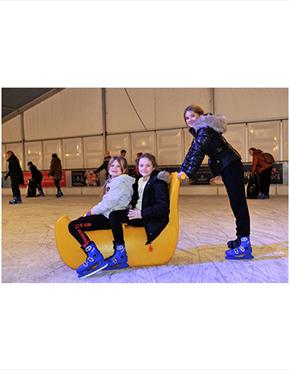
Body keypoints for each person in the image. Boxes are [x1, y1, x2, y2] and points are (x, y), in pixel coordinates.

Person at [178, 104, 253, 260]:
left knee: (238, 203)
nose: (190, 120)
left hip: (230, 165)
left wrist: (187, 173)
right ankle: (241, 238)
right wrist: (182, 170)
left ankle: (245, 243)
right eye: (187, 118)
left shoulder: (204, 130)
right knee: (236, 203)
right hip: (228, 165)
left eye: (192, 116)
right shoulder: (201, 131)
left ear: (200, 116)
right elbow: (192, 150)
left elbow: (198, 152)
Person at [68, 156, 135, 278]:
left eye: (118, 166)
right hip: (107, 214)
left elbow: (108, 203)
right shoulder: (114, 181)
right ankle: (95, 255)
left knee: (74, 225)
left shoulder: (121, 182)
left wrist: (90, 212)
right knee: (77, 223)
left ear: (124, 169)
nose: (114, 168)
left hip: (109, 218)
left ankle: (94, 256)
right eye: (112, 165)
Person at [107, 153, 170, 270]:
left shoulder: (158, 182)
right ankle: (119, 249)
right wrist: (131, 206)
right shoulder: (140, 180)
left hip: (150, 218)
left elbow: (163, 206)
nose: (144, 168)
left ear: (154, 167)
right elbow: (137, 198)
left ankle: (120, 252)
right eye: (141, 165)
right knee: (113, 214)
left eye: (148, 165)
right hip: (138, 212)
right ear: (137, 167)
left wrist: (141, 213)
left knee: (114, 216)